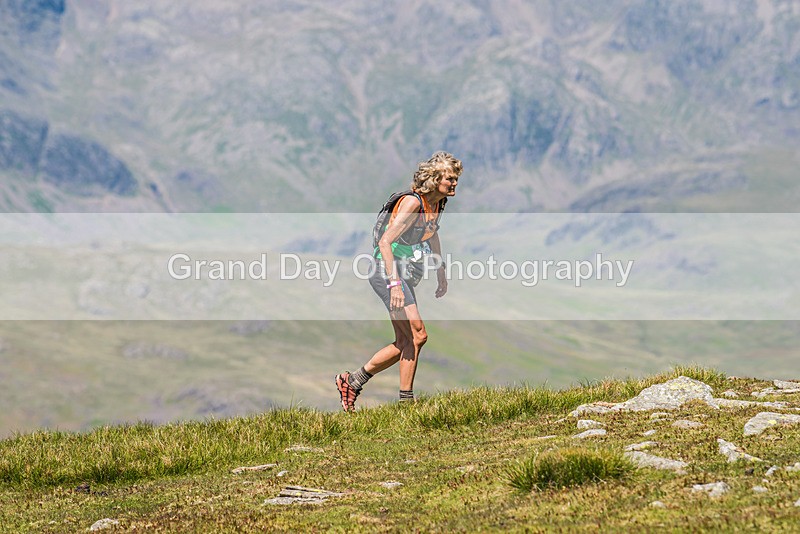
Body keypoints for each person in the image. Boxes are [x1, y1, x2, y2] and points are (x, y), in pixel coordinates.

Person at [335, 151, 462, 412]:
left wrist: (441, 270)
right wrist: (394, 284)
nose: (455, 183)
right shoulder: (412, 203)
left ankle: (353, 381)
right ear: (436, 178)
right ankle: (407, 403)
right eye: (450, 178)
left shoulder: (437, 204)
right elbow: (385, 242)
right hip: (386, 270)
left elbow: (432, 234)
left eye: (456, 178)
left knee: (406, 341)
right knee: (417, 334)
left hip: (401, 273)